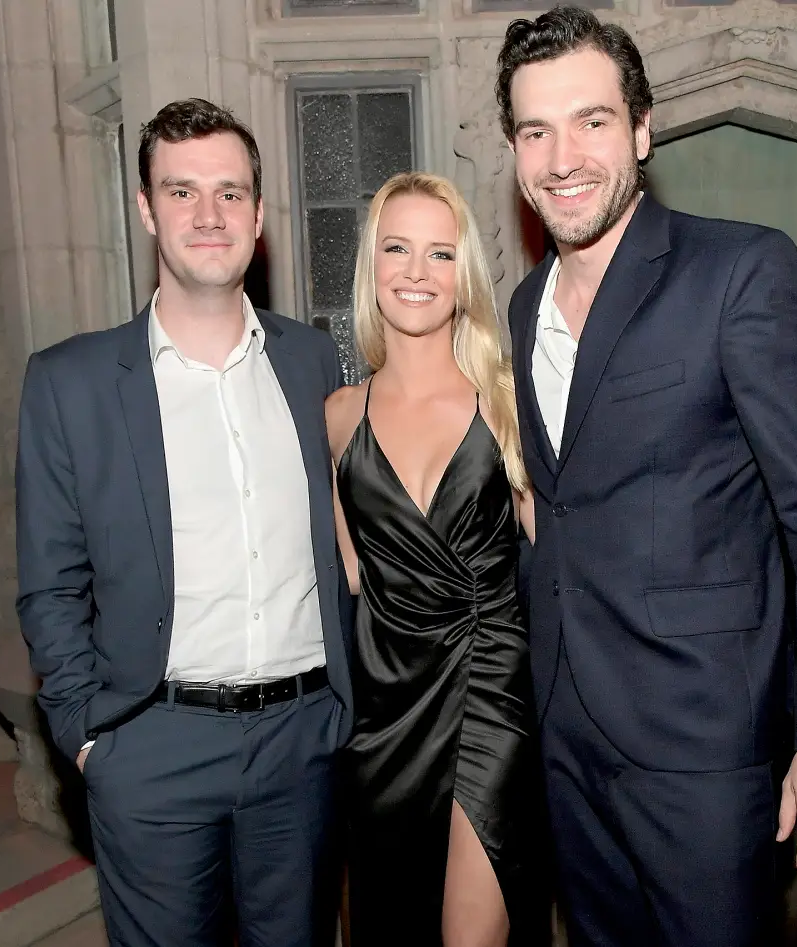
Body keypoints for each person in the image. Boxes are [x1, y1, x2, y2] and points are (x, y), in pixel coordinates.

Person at [495, 8, 797, 947]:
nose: (562, 158)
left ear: (641, 129)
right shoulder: (523, 304)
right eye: (535, 131)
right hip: (567, 736)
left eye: (591, 121)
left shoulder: (741, 272)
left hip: (703, 746)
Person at [15, 97, 353, 947]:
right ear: (146, 208)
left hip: (303, 743)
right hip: (149, 745)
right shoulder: (70, 382)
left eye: (230, 193)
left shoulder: (311, 362)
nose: (209, 215)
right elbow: (50, 585)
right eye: (182, 191)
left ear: (259, 215)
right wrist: (88, 736)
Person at [325, 171, 547, 947]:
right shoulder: (339, 417)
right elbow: (351, 576)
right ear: (372, 266)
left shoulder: (507, 402)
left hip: (491, 689)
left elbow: (566, 565)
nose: (416, 271)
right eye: (397, 248)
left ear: (464, 275)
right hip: (384, 711)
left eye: (440, 253)